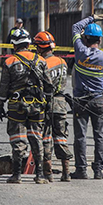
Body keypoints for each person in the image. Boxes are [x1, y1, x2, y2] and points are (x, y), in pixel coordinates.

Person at [0, 28, 54, 184]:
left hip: (16, 106)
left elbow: (3, 87)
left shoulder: (9, 62)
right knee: (36, 138)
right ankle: (40, 175)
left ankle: (17, 175)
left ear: (14, 45)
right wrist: (48, 105)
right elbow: (48, 86)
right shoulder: (41, 60)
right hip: (37, 106)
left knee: (18, 139)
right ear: (29, 44)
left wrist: (0, 105)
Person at [69, 15, 103, 180]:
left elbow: (75, 28)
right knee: (99, 136)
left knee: (80, 136)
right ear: (100, 40)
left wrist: (92, 18)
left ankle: (81, 170)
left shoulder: (80, 51)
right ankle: (98, 171)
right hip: (99, 101)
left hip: (80, 101)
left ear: (85, 38)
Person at [33, 31, 74, 182]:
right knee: (61, 137)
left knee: (45, 137)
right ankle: (66, 172)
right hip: (61, 103)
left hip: (46, 104)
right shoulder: (62, 62)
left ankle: (48, 173)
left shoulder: (41, 63)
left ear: (40, 47)